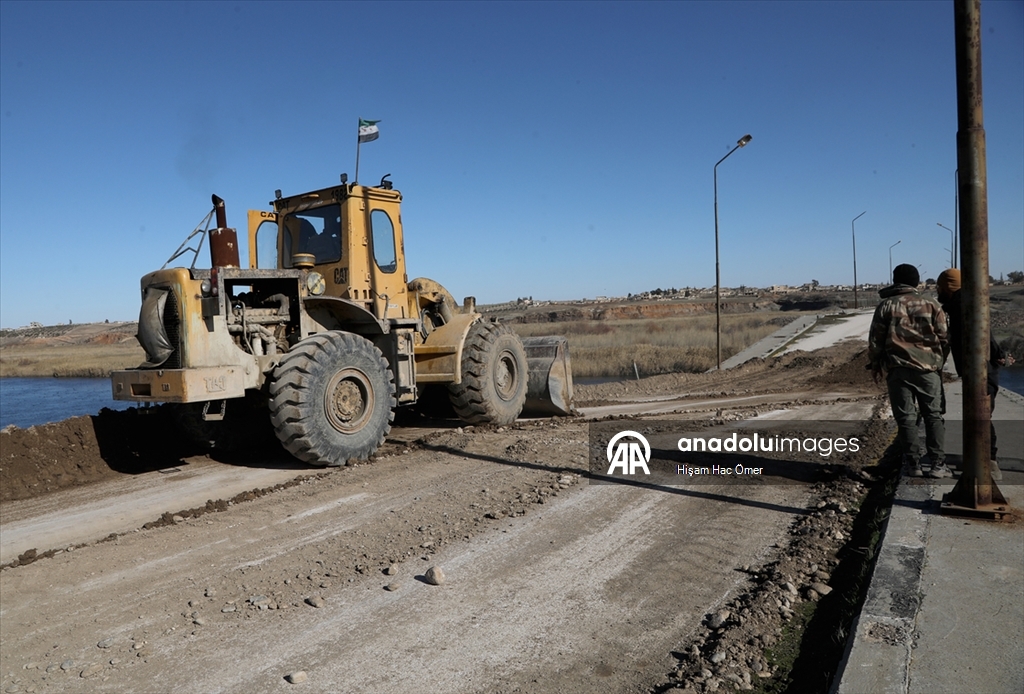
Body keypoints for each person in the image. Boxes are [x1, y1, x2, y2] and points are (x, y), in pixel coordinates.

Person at [868, 263, 951, 478]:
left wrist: (875, 365)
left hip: (898, 370)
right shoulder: (932, 304)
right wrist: (938, 362)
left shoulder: (886, 306)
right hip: (928, 370)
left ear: (895, 280)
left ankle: (913, 464)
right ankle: (937, 464)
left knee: (906, 418)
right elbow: (944, 337)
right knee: (933, 416)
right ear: (916, 281)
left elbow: (876, 340)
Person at [936, 268, 1014, 481]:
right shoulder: (959, 304)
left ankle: (989, 462)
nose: (938, 291)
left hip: (982, 371)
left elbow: (984, 333)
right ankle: (978, 457)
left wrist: (997, 353)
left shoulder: (964, 305)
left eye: (940, 287)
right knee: (977, 414)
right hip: (976, 370)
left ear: (948, 287)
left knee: (981, 415)